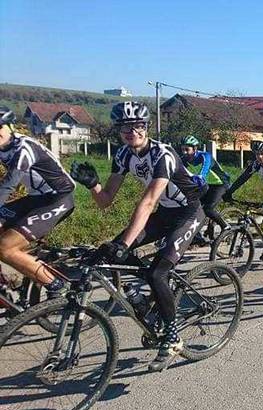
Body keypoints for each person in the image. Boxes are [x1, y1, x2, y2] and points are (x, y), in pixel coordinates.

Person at [70, 101, 205, 373]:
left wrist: (124, 243)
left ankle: (173, 336)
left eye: (138, 126)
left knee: (156, 273)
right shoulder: (123, 155)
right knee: (109, 252)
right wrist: (93, 185)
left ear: (147, 127)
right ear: (118, 131)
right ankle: (149, 295)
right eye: (125, 128)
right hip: (165, 214)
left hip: (188, 213)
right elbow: (105, 200)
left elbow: (148, 201)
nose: (132, 132)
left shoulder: (163, 154)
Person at [0, 107, 76, 298]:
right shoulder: (3, 147)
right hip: (37, 198)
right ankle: (7, 283)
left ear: (10, 127)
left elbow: (8, 185)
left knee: (4, 247)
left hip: (58, 198)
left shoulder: (24, 147)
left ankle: (56, 285)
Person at [179, 135, 231, 241]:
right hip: (205, 185)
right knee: (192, 207)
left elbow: (204, 171)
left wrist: (199, 177)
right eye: (182, 149)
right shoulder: (184, 159)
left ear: (195, 149)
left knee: (207, 209)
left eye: (187, 149)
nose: (184, 152)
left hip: (220, 184)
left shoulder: (205, 156)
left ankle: (226, 226)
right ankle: (197, 236)